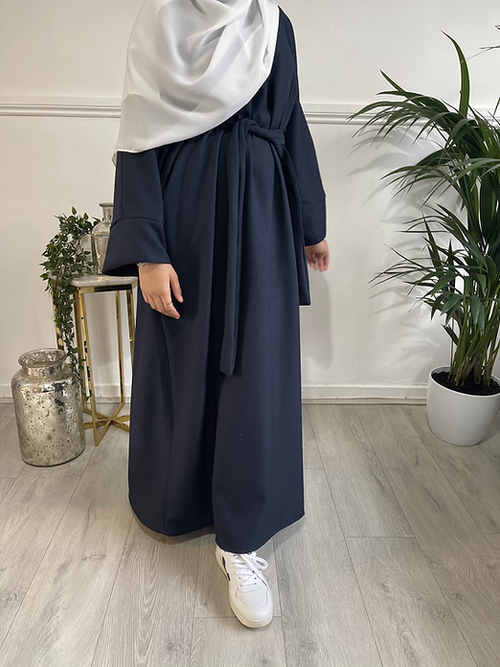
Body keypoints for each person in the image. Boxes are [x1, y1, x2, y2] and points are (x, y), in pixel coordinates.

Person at [102, 0, 329, 629]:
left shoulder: (273, 23)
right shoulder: (162, 20)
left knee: (256, 367)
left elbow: (292, 120)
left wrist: (310, 222)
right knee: (185, 361)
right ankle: (179, 499)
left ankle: (242, 539)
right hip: (186, 219)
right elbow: (138, 137)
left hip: (262, 212)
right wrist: (147, 250)